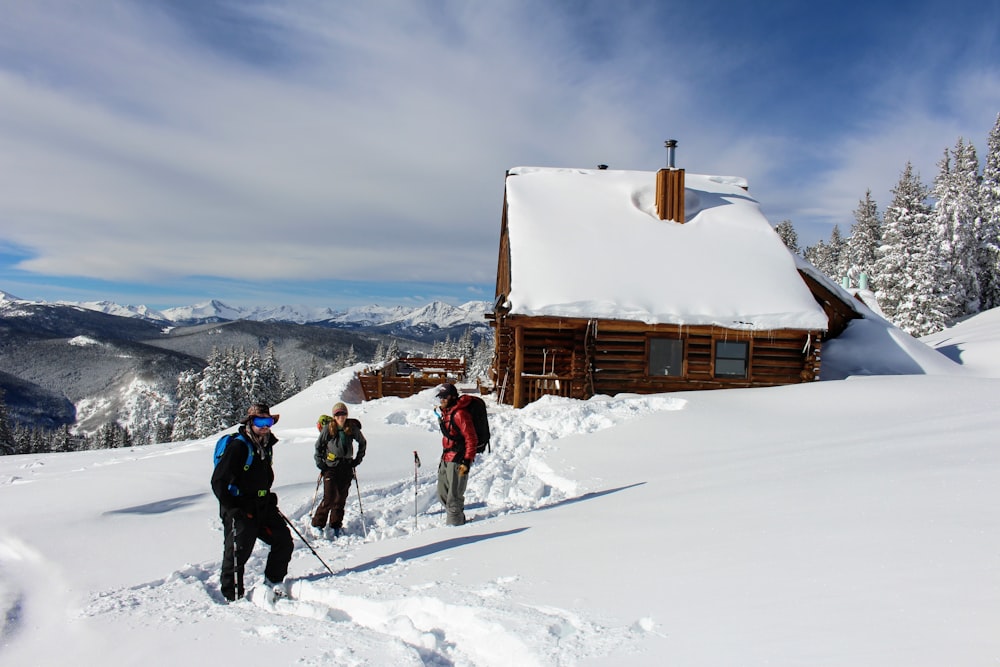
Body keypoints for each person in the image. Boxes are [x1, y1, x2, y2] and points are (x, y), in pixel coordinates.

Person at [210, 403, 293, 602]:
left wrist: (267, 497)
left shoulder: (265, 445)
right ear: (250, 422)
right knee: (238, 552)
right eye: (260, 421)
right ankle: (233, 597)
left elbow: (262, 477)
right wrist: (233, 508)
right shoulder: (238, 446)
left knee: (283, 540)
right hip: (239, 507)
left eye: (269, 421)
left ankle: (273, 583)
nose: (265, 426)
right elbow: (218, 481)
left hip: (262, 505)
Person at [311, 402, 367, 538]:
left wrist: (357, 460)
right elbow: (318, 446)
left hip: (346, 466)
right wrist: (320, 463)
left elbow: (362, 442)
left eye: (342, 414)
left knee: (341, 498)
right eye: (337, 414)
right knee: (329, 497)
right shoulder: (328, 428)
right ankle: (318, 523)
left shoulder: (351, 427)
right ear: (334, 416)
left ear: (346, 414)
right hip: (331, 467)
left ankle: (336, 524)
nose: (340, 416)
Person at [435, 383, 478, 526]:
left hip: (458, 459)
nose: (442, 400)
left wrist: (467, 460)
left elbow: (471, 438)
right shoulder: (446, 413)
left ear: (453, 397)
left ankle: (455, 530)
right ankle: (458, 518)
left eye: (444, 397)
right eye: (440, 397)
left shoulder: (460, 414)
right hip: (446, 458)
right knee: (443, 494)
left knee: (454, 499)